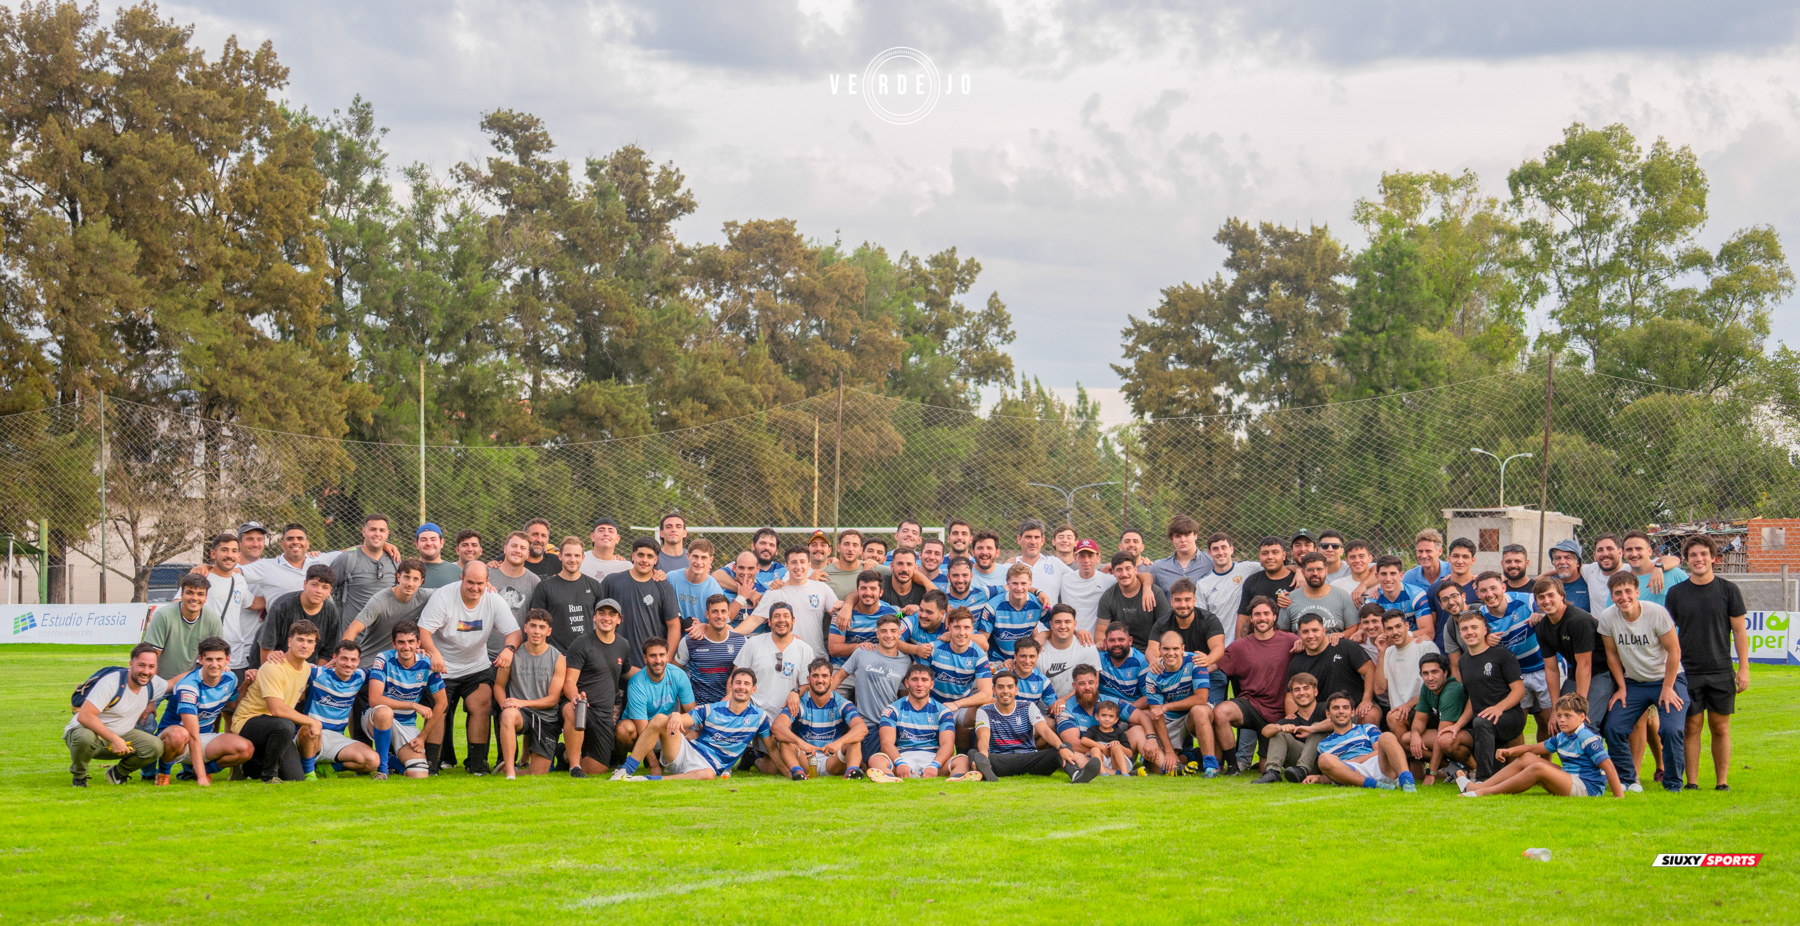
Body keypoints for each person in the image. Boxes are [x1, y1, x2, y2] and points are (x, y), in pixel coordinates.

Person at [418, 561, 521, 775]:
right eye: (470, 582)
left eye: (480, 583)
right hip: (443, 667)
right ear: (461, 579)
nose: (475, 588)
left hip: (476, 666)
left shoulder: (493, 600)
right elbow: (424, 631)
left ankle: (477, 764)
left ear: (487, 583)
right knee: (439, 710)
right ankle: (431, 763)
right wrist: (434, 654)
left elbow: (514, 632)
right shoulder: (444, 597)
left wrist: (509, 649)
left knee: (481, 706)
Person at [1665, 534, 1750, 791]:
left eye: (1703, 554)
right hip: (1687, 671)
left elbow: (1739, 632)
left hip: (1721, 670)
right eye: (1693, 555)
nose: (1699, 559)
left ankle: (1721, 782)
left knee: (1720, 727)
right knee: (1692, 726)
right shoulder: (1676, 593)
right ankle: (1692, 782)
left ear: (1713, 557)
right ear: (1686, 560)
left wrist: (1743, 668)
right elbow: (1667, 634)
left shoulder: (1728, 590)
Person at [1598, 570, 1688, 794]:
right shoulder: (1608, 617)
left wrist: (1668, 688)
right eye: (1617, 593)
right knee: (1614, 728)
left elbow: (1674, 650)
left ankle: (1673, 784)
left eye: (1628, 591)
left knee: (1671, 730)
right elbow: (1612, 655)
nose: (1623, 597)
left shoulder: (1656, 613)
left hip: (1667, 679)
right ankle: (1627, 779)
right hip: (1634, 683)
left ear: (1637, 592)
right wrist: (1621, 687)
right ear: (1612, 595)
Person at [614, 668, 772, 781]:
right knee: (660, 719)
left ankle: (650, 779)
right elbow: (685, 719)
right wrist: (676, 715)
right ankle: (625, 770)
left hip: (706, 768)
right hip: (685, 752)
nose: (741, 687)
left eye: (746, 684)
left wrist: (791, 770)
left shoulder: (759, 717)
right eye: (738, 683)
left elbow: (771, 748)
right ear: (731, 686)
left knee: (709, 775)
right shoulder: (712, 709)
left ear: (753, 689)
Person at [1451, 570, 1555, 741]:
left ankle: (1545, 763)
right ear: (1477, 594)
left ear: (1503, 587)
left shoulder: (1527, 600)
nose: (1489, 594)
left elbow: (1551, 609)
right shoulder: (1481, 617)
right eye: (1483, 591)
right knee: (1516, 723)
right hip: (1515, 675)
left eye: (1493, 588)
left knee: (1546, 720)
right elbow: (1476, 643)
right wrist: (1485, 639)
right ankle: (1520, 764)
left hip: (1543, 668)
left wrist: (1541, 614)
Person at [1460, 693, 1624, 798]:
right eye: (1559, 715)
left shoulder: (1587, 737)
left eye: (1568, 716)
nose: (1561, 720)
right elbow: (1532, 749)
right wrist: (1510, 751)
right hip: (1570, 779)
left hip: (1587, 788)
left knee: (1538, 767)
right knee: (1529, 758)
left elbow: (1608, 766)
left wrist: (1619, 798)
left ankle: (1483, 792)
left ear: (1582, 717)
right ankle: (1477, 786)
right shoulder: (1562, 736)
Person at [1212, 597, 1299, 775]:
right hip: (1250, 705)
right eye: (1257, 614)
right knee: (1221, 712)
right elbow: (1213, 665)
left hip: (1279, 713)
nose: (1262, 618)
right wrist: (1184, 664)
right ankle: (1233, 767)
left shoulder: (1291, 641)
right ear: (1251, 618)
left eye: (1266, 613)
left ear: (1274, 617)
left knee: (1265, 770)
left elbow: (1316, 646)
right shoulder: (1239, 646)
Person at [230, 620, 321, 784]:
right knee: (285, 724)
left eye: (310, 641)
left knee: (295, 777)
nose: (304, 645)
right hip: (248, 721)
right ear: (289, 642)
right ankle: (269, 776)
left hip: (275, 728)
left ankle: (246, 765)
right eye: (300, 639)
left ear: (314, 646)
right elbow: (277, 710)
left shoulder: (306, 668)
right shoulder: (274, 667)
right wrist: (312, 722)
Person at [65, 644, 169, 786]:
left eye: (151, 667)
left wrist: (203, 671)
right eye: (141, 665)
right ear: (131, 664)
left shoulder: (153, 683)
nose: (146, 671)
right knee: (84, 737)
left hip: (122, 736)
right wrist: (115, 739)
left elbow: (175, 684)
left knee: (156, 747)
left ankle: (117, 774)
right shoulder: (111, 682)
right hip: (89, 736)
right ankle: (79, 776)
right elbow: (85, 716)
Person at [969, 670, 1100, 782]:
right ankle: (987, 771)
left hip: (1029, 759)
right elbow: (983, 736)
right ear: (994, 690)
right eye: (1000, 687)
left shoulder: (1027, 706)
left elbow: (1044, 730)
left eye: (1009, 687)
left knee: (1062, 748)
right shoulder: (985, 710)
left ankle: (1077, 775)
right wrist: (984, 755)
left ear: (1016, 690)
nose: (1005, 691)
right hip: (1001, 759)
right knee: (974, 753)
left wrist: (1062, 747)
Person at [152, 636, 251, 785]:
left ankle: (205, 769)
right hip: (176, 739)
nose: (214, 664)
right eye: (209, 659)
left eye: (219, 659)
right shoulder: (189, 686)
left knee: (245, 749)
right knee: (179, 734)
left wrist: (247, 684)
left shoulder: (230, 678)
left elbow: (233, 706)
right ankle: (163, 773)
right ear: (200, 659)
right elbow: (192, 735)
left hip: (203, 737)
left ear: (227, 660)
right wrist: (202, 779)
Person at [868, 664, 978, 782]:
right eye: (914, 680)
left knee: (963, 760)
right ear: (907, 683)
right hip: (903, 758)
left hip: (933, 759)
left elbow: (948, 745)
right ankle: (889, 778)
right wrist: (900, 763)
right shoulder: (891, 710)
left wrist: (934, 765)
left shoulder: (943, 711)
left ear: (931, 685)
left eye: (924, 680)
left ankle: (957, 779)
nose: (919, 684)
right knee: (875, 759)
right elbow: (886, 743)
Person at [830, 613, 914, 765]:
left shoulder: (905, 661)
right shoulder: (863, 652)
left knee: (895, 761)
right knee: (874, 761)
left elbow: (904, 695)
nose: (888, 635)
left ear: (899, 633)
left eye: (893, 631)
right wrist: (821, 696)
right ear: (877, 634)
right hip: (866, 724)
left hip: (890, 724)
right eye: (884, 631)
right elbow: (840, 676)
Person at [366, 621, 447, 779]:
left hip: (406, 724)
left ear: (418, 643)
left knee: (419, 775)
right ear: (394, 644)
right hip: (375, 718)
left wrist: (422, 737)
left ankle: (387, 760)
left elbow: (442, 703)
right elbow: (374, 700)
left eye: (411, 642)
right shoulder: (383, 659)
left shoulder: (427, 664)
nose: (406, 647)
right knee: (384, 712)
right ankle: (382, 769)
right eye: (401, 642)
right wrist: (412, 704)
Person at [1452, 610, 1525, 783]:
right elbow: (1473, 697)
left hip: (1510, 716)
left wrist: (1499, 708)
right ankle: (1492, 779)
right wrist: (1458, 725)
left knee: (1481, 721)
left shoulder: (1502, 655)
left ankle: (1481, 781)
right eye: (1464, 629)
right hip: (1484, 723)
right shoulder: (1463, 661)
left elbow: (1519, 690)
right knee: (1500, 775)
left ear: (1485, 630)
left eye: (1474, 627)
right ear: (1460, 633)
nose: (1469, 632)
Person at [561, 599, 630, 777]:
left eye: (612, 614)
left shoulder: (623, 645)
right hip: (584, 705)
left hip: (604, 714)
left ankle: (564, 754)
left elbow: (628, 672)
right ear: (594, 617)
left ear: (619, 619)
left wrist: (661, 670)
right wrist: (575, 696)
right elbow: (569, 681)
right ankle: (574, 767)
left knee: (597, 769)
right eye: (602, 613)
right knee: (573, 708)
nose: (606, 618)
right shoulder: (581, 643)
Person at [493, 610, 566, 779]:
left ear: (549, 631)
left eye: (542, 627)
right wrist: (505, 703)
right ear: (525, 628)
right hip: (521, 714)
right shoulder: (511, 655)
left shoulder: (558, 658)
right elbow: (498, 686)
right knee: (509, 714)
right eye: (533, 626)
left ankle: (511, 769)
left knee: (538, 772)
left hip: (546, 718)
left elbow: (553, 699)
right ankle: (510, 771)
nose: (536, 631)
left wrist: (522, 703)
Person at [772, 658, 867, 780]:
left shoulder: (842, 703)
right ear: (808, 679)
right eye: (815, 676)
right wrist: (801, 743)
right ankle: (798, 773)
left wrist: (839, 743)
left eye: (824, 676)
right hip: (806, 758)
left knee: (854, 740)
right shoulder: (800, 703)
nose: (820, 680)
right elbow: (777, 727)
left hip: (833, 759)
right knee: (785, 741)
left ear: (831, 679)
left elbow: (861, 728)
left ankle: (851, 773)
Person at [1533, 576, 1607, 730]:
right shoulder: (1542, 628)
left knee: (1583, 724)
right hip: (1576, 672)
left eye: (1550, 595)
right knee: (1561, 723)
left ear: (1562, 596)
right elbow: (1551, 669)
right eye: (1541, 597)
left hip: (1601, 672)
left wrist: (1580, 705)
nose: (1546, 601)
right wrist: (1555, 709)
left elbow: (1585, 664)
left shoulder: (1577, 621)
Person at [1145, 630, 1218, 776]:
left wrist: (1166, 706)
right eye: (1166, 649)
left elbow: (1201, 699)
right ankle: (1191, 756)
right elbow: (1156, 714)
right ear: (1159, 649)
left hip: (1195, 713)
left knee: (1199, 710)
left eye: (1175, 649)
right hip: (1170, 718)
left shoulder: (1195, 661)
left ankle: (1210, 765)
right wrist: (1169, 751)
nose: (1171, 653)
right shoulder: (1153, 674)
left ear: (1182, 649)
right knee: (1157, 767)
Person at [601, 537, 681, 670]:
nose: (644, 560)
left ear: (655, 560)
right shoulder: (612, 581)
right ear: (633, 556)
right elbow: (595, 615)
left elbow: (674, 625)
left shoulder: (664, 588)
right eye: (640, 555)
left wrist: (666, 658)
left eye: (650, 556)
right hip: (614, 661)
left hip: (650, 664)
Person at [304, 640, 380, 778]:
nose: (348, 664)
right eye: (344, 658)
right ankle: (309, 773)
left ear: (358, 661)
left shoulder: (361, 676)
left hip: (336, 738)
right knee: (309, 727)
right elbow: (291, 664)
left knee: (372, 760)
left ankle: (330, 768)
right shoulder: (318, 673)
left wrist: (416, 654)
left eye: (353, 660)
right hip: (311, 735)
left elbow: (388, 671)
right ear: (335, 658)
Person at [1054, 664, 1153, 769]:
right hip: (1089, 755)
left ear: (1097, 683)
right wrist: (1102, 749)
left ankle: (1163, 766)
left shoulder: (1110, 702)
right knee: (1074, 755)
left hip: (1117, 753)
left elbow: (1142, 716)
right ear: (1074, 686)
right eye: (1082, 684)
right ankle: (1113, 772)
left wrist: (1152, 739)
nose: (1087, 687)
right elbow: (1073, 744)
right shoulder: (1065, 709)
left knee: (1138, 730)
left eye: (1091, 682)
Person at [745, 547, 840, 656]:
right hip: (785, 658)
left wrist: (846, 605)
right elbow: (755, 619)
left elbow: (838, 615)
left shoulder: (822, 588)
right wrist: (731, 632)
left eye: (802, 562)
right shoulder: (775, 592)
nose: (798, 567)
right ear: (786, 565)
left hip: (816, 658)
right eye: (794, 562)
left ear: (809, 565)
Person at [1286, 613, 1377, 725]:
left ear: (1323, 631)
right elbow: (1290, 695)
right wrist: (1294, 717)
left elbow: (1370, 670)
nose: (1310, 635)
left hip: (1356, 707)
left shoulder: (1345, 646)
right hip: (1324, 715)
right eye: (1305, 632)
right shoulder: (1297, 662)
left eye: (1315, 630)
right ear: (1299, 634)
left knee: (1370, 715)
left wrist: (1366, 700)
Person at [1314, 692, 1417, 791]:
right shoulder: (1323, 745)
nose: (1341, 711)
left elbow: (1378, 751)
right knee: (1324, 759)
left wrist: (1355, 761)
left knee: (1387, 736)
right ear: (1328, 714)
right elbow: (1332, 772)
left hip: (1377, 765)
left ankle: (1407, 781)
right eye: (1336, 708)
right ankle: (1376, 785)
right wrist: (1318, 778)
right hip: (1352, 772)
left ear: (1352, 712)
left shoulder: (1367, 728)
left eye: (1345, 708)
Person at [922, 607, 994, 744]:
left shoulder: (978, 654)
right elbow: (916, 682)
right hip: (933, 706)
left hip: (961, 707)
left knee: (991, 706)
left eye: (966, 627)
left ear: (972, 630)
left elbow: (986, 694)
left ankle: (974, 752)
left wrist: (957, 704)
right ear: (949, 628)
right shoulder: (934, 648)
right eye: (957, 627)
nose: (962, 632)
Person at [618, 638, 697, 763]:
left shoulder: (678, 675)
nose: (658, 660)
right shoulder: (636, 683)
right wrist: (654, 766)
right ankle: (619, 759)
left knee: (693, 730)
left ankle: (672, 758)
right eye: (653, 656)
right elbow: (643, 731)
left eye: (661, 655)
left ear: (667, 656)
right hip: (640, 732)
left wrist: (694, 733)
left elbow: (693, 713)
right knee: (624, 730)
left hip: (664, 729)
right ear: (645, 658)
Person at [733, 602, 816, 718]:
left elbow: (807, 685)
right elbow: (735, 677)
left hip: (787, 716)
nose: (781, 620)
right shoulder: (753, 643)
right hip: (753, 714)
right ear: (769, 622)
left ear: (793, 620)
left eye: (786, 616)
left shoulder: (805, 649)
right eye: (776, 616)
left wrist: (796, 692)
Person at [344, 558, 428, 670]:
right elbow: (353, 629)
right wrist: (343, 657)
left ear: (421, 581)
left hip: (396, 667)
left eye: (415, 579)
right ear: (398, 577)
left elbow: (451, 592)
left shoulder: (425, 596)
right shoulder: (380, 600)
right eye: (406, 577)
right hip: (369, 666)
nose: (410, 583)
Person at [528, 536, 608, 651]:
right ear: (560, 556)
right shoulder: (545, 586)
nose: (572, 559)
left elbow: (602, 621)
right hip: (555, 653)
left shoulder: (594, 585)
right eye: (568, 555)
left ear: (583, 557)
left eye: (577, 555)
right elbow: (535, 622)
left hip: (586, 653)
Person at [142, 573, 223, 682]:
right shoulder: (163, 616)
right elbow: (151, 658)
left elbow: (216, 657)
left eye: (200, 594)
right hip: (161, 682)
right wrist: (152, 690)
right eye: (190, 593)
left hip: (194, 682)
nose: (195, 598)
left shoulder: (213, 620)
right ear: (181, 595)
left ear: (205, 598)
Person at [1150, 579, 1226, 693]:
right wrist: (1153, 660)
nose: (1183, 605)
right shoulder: (1163, 623)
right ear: (1171, 602)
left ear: (1194, 600)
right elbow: (1151, 648)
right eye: (1178, 600)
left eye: (1187, 600)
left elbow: (1218, 647)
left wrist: (1208, 659)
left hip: (1207, 672)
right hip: (1174, 674)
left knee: (1206, 710)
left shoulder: (1209, 620)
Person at [199, 531, 254, 684]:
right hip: (208, 656)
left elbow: (252, 603)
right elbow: (179, 602)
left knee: (236, 704)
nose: (229, 555)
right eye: (224, 550)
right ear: (213, 554)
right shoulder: (202, 577)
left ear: (238, 556)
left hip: (235, 656)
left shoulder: (239, 580)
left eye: (234, 551)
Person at [1252, 672, 1327, 784]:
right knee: (1278, 733)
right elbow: (1265, 731)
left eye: (1306, 688)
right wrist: (1280, 728)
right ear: (1292, 695)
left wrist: (1312, 728)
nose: (1302, 693)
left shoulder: (1326, 709)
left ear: (1315, 691)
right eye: (1297, 690)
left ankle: (1302, 770)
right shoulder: (1290, 720)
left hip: (1327, 760)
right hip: (1300, 765)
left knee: (1316, 728)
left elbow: (1341, 720)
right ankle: (1273, 772)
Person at [258, 564, 340, 665]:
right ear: (305, 584)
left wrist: (315, 676)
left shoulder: (331, 612)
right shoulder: (282, 605)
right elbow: (267, 646)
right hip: (277, 664)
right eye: (314, 584)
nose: (319, 591)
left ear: (329, 591)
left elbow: (327, 653)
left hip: (307, 668)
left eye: (324, 587)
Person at [676, 594, 749, 706]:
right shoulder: (690, 641)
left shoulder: (741, 641)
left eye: (723, 611)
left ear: (728, 614)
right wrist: (685, 702)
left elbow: (745, 677)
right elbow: (673, 671)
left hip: (729, 709)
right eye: (715, 611)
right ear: (707, 614)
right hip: (699, 710)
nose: (719, 616)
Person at [1375, 609, 1439, 734]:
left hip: (1426, 709)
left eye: (1398, 626)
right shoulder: (1387, 652)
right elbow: (1379, 689)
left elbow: (1438, 685)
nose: (1395, 632)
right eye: (1389, 629)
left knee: (1393, 718)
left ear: (1407, 626)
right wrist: (1381, 654)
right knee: (1393, 721)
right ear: (1384, 632)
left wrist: (1409, 705)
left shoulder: (1425, 646)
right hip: (1400, 714)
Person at [1406, 653, 1466, 785]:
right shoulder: (1427, 687)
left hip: (1467, 738)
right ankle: (1451, 769)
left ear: (1445, 672)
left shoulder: (1452, 691)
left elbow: (1442, 734)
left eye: (1434, 672)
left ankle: (1473, 769)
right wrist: (1415, 733)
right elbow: (1420, 719)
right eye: (1425, 673)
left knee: (1445, 739)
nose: (1430, 678)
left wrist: (1431, 774)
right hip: (1447, 736)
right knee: (1407, 739)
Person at [332, 513, 402, 622]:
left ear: (387, 534)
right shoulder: (346, 560)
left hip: (385, 636)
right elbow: (324, 588)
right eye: (373, 529)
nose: (377, 534)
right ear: (364, 531)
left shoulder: (396, 562)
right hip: (353, 636)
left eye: (382, 530)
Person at [828, 570, 902, 671]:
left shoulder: (893, 612)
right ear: (857, 591)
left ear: (881, 592)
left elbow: (908, 614)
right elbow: (833, 649)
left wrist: (915, 608)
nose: (868, 593)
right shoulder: (842, 614)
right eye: (863, 588)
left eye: (873, 589)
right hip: (843, 666)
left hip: (877, 669)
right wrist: (859, 647)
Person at [1097, 552, 1170, 653]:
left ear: (1135, 570)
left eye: (1128, 568)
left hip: (1150, 651)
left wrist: (1156, 652)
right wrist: (1101, 642)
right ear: (1113, 572)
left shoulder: (1154, 593)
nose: (1124, 574)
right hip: (1121, 651)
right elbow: (1101, 631)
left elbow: (1167, 628)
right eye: (1119, 570)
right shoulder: (1108, 597)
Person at [1421, 537, 1479, 652]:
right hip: (1443, 650)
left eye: (1465, 557)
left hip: (1473, 650)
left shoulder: (1479, 587)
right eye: (1456, 556)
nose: (1460, 561)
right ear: (1448, 558)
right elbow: (1432, 624)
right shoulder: (1435, 589)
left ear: (1473, 560)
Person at [1278, 552, 1358, 634]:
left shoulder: (1342, 596)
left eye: (1319, 569)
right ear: (1302, 572)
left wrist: (1341, 636)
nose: (1315, 573)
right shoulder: (1289, 600)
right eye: (1310, 570)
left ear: (1326, 570)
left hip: (1334, 645)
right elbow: (1282, 632)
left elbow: (1353, 627)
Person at [1037, 605, 1102, 703]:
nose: (1063, 626)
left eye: (1067, 622)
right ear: (1051, 625)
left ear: (1075, 624)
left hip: (1077, 709)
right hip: (1043, 711)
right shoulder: (1038, 649)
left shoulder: (1086, 646)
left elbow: (1093, 683)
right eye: (1058, 622)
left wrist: (1062, 701)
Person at [1236, 537, 1296, 640]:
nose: (1270, 557)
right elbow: (1244, 619)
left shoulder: (1296, 581)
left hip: (1290, 643)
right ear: (1259, 556)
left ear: (1284, 555)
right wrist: (1239, 646)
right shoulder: (1252, 581)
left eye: (1275, 552)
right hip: (1258, 642)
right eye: (1265, 553)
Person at [986, 563, 1045, 667]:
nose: (1019, 588)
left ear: (1030, 584)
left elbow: (1057, 625)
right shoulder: (993, 606)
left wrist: (1045, 634)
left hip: (1023, 660)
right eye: (1015, 583)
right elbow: (983, 640)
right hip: (997, 660)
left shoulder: (1037, 605)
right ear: (1008, 583)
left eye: (1023, 583)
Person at [487, 531, 542, 639]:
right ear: (505, 549)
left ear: (528, 554)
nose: (517, 550)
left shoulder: (534, 581)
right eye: (514, 546)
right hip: (485, 649)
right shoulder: (487, 574)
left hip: (517, 649)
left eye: (522, 548)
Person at [1057, 539, 1115, 640]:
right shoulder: (1064, 579)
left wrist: (1146, 587)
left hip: (1096, 641)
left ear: (1098, 558)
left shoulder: (1108, 580)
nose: (1086, 560)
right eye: (1082, 556)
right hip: (1069, 639)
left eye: (1090, 556)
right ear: (1075, 558)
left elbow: (1133, 578)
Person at [665, 539, 725, 634]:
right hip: (670, 638)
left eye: (704, 558)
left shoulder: (713, 588)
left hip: (699, 642)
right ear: (688, 556)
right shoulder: (671, 578)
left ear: (711, 560)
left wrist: (705, 626)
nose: (699, 562)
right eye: (695, 557)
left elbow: (721, 622)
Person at [1368, 555, 1430, 641]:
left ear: (1401, 575)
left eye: (1393, 573)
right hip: (1387, 645)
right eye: (1383, 574)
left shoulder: (1416, 595)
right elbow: (1371, 633)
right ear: (1377, 576)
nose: (1388, 579)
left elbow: (1429, 632)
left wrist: (1403, 636)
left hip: (1413, 643)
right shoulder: (1372, 600)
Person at [1012, 518, 1072, 603]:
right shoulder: (1009, 567)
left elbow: (1079, 578)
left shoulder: (1055, 563)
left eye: (1036, 537)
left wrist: (1098, 570)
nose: (1033, 542)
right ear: (1019, 539)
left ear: (1042, 540)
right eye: (1028, 537)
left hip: (1049, 616)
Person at [1147, 515, 1209, 593]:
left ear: (1195, 536)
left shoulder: (1211, 564)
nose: (1182, 540)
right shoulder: (1158, 568)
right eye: (1177, 536)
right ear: (1172, 539)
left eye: (1187, 535)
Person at [1622, 530, 1684, 606]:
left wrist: (1658, 568)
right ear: (1624, 554)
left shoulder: (1673, 573)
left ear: (1649, 551)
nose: (1634, 554)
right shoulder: (1621, 582)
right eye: (1629, 550)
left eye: (1639, 549)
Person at [1078, 701, 1136, 775]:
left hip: (1118, 763)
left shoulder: (1119, 733)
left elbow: (1130, 754)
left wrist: (1118, 746)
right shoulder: (1093, 730)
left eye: (1111, 716)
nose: (1107, 719)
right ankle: (1103, 773)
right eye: (1103, 715)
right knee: (1094, 749)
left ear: (1116, 719)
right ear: (1097, 716)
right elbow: (1083, 740)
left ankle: (1125, 773)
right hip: (1103, 761)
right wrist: (1102, 747)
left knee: (1115, 746)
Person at [899, 589, 951, 662]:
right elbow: (893, 640)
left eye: (929, 612)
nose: (923, 615)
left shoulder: (950, 624)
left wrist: (955, 636)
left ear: (942, 614)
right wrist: (916, 650)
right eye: (921, 610)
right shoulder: (913, 619)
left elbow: (971, 638)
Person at [1545, 538, 1592, 612]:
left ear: (1578, 563)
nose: (1562, 562)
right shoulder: (1548, 584)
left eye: (1567, 557)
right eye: (1557, 558)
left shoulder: (1589, 583)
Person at [413, 523, 460, 590]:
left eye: (433, 539)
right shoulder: (407, 570)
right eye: (423, 540)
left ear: (441, 543)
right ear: (416, 544)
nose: (429, 543)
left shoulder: (457, 571)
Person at [1330, 539, 1377, 603]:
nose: (1357, 560)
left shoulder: (1381, 584)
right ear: (1346, 560)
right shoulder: (1336, 586)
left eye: (1361, 556)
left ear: (1370, 558)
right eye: (1352, 557)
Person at [882, 547, 926, 614]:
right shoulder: (880, 585)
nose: (905, 569)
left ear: (915, 568)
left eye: (909, 564)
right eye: (900, 564)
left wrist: (919, 609)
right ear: (892, 566)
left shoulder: (922, 590)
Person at [968, 531, 1008, 595]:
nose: (985, 552)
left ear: (997, 552)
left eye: (989, 548)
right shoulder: (963, 576)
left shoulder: (1008, 575)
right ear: (973, 552)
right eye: (980, 548)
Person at [1500, 544, 1536, 610]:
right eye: (1508, 562)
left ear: (1527, 563)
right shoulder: (1498, 590)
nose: (1513, 565)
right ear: (1502, 564)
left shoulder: (1537, 588)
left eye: (1517, 561)